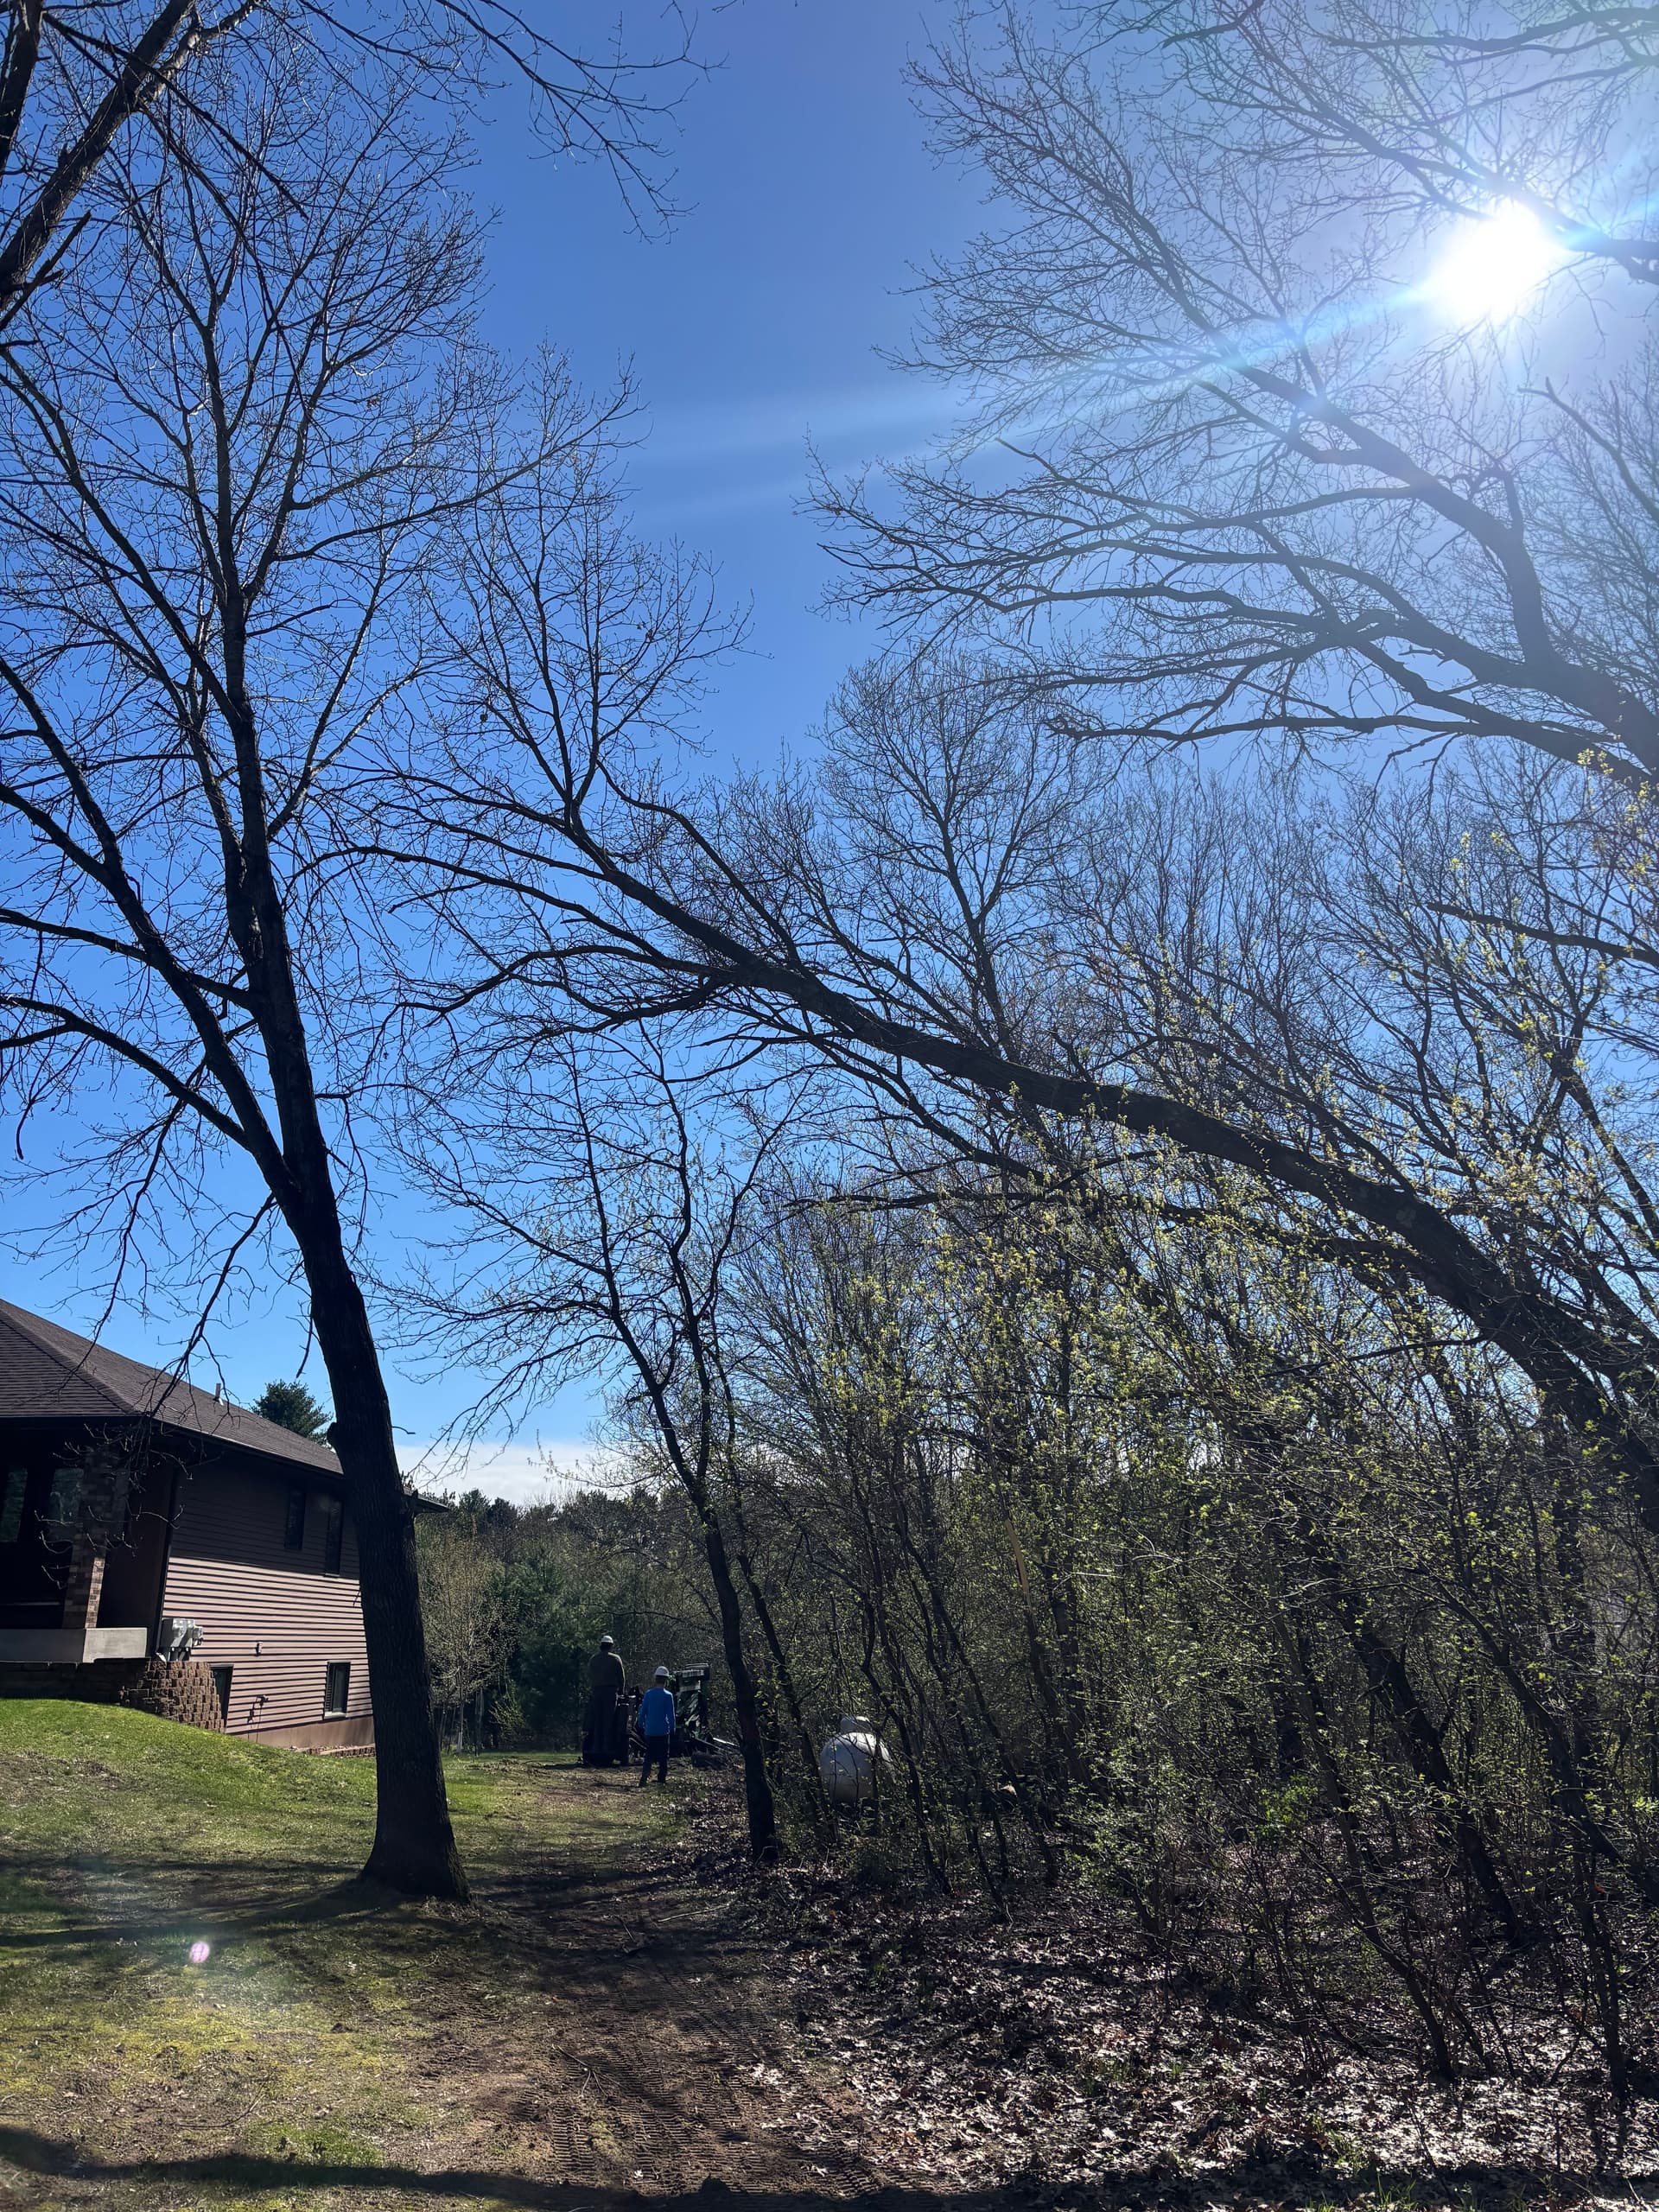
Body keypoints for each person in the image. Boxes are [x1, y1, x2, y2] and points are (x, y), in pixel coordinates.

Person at [586, 1635, 626, 1764]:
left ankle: (596, 1746)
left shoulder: (594, 1659)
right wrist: (621, 1690)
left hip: (596, 1692)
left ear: (601, 1646)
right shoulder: (615, 1659)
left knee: (597, 1719)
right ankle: (607, 1747)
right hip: (610, 1692)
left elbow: (589, 1675)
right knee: (609, 1719)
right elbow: (621, 1677)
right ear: (611, 1646)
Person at [638, 1664, 675, 1788]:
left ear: (655, 1679)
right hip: (663, 1731)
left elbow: (643, 1712)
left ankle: (644, 1776)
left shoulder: (649, 1694)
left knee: (649, 1755)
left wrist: (641, 1724)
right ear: (666, 1680)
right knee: (663, 1756)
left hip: (650, 1730)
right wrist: (673, 1729)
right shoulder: (668, 1696)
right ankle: (661, 1778)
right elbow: (671, 1715)